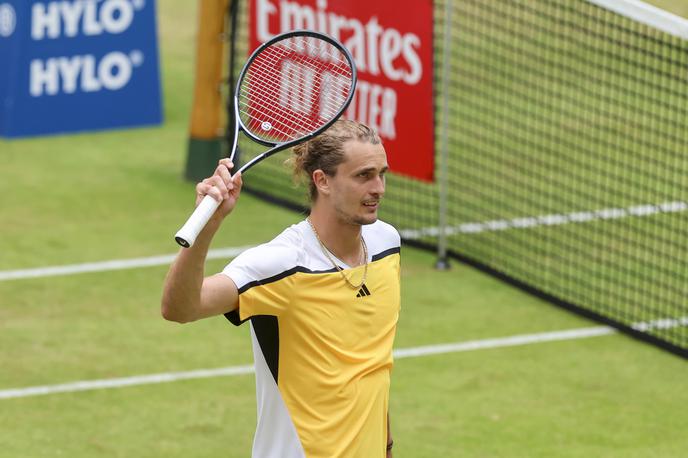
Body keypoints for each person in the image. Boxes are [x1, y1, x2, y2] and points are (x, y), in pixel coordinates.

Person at [161, 120, 400, 458]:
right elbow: (181, 308)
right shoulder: (280, 263)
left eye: (381, 173)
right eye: (363, 175)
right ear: (322, 181)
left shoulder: (386, 244)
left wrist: (386, 445)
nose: (378, 188)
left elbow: (373, 365)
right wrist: (207, 226)